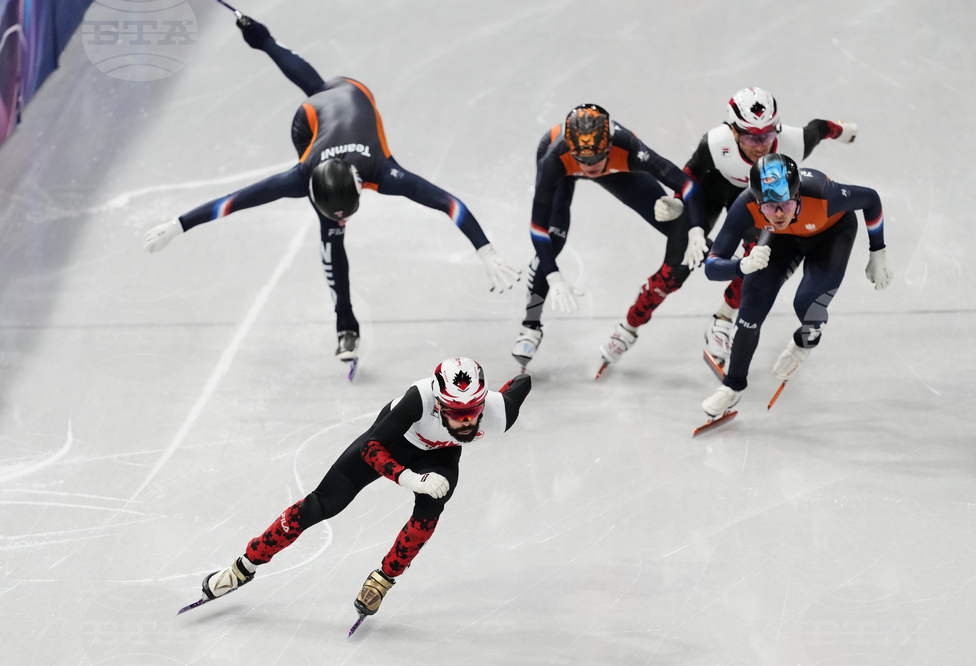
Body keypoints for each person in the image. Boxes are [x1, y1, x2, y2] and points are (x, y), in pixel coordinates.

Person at [143, 17, 520, 365]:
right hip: (307, 125)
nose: (342, 216)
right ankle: (346, 326)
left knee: (323, 92)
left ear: (362, 186)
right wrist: (178, 225)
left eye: (346, 210)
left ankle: (264, 41)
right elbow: (235, 201)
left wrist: (484, 249)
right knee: (332, 236)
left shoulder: (382, 169)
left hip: (354, 92)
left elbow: (446, 203)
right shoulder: (301, 175)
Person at [193, 357, 531, 621]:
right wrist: (409, 478)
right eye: (459, 414)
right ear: (440, 405)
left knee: (428, 513)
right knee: (320, 504)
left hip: (440, 457)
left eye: (474, 412)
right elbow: (371, 449)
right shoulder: (418, 399)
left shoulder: (497, 413)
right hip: (392, 443)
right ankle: (242, 566)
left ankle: (383, 579)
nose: (469, 422)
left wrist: (512, 379)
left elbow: (521, 384)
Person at [597, 87, 858, 371]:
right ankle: (627, 328)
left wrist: (842, 130)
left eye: (767, 135)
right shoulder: (714, 141)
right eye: (749, 136)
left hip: (755, 200)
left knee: (754, 263)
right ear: (732, 131)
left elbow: (819, 128)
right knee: (674, 272)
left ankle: (722, 321)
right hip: (710, 192)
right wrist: (677, 203)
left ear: (777, 130)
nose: (760, 145)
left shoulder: (793, 141)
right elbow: (690, 173)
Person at [511, 103, 705, 370]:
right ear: (570, 148)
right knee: (553, 240)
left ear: (609, 146)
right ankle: (530, 326)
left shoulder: (629, 148)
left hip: (616, 168)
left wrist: (694, 228)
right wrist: (555, 277)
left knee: (675, 228)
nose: (589, 166)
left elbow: (687, 183)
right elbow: (537, 227)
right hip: (564, 169)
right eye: (582, 159)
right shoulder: (554, 157)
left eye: (595, 158)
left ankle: (734, 274)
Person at [700, 153, 892, 417]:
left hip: (832, 233)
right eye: (768, 207)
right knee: (750, 309)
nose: (778, 214)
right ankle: (732, 386)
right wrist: (741, 266)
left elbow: (870, 199)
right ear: (756, 201)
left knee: (807, 303)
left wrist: (877, 252)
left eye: (786, 204)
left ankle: (805, 342)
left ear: (798, 194)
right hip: (783, 239)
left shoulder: (823, 194)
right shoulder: (745, 205)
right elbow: (711, 267)